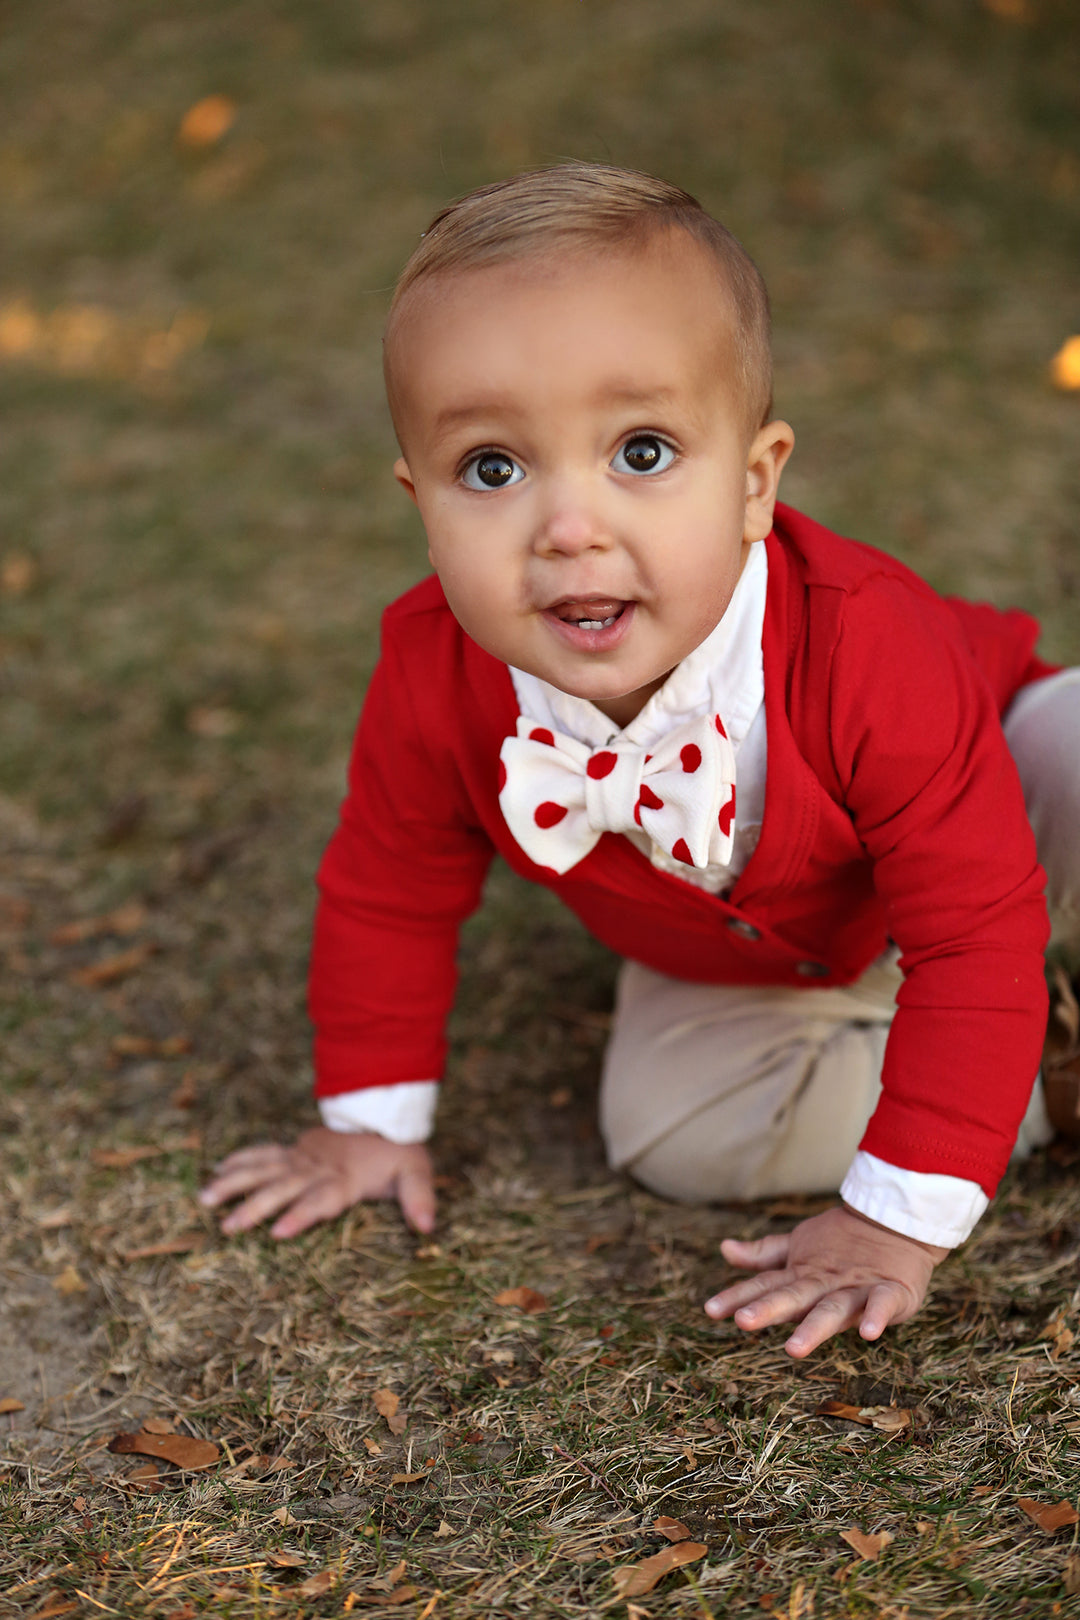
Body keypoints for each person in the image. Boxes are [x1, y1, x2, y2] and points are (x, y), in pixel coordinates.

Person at [199, 163, 1080, 1358]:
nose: (570, 527)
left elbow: (972, 926)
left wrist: (894, 1223)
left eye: (644, 451)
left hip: (1003, 806)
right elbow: (386, 892)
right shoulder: (429, 673)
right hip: (740, 956)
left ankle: (981, 1049)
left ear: (756, 483)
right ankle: (1031, 1079)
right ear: (420, 504)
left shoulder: (871, 642)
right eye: (493, 469)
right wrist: (368, 1122)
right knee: (671, 1135)